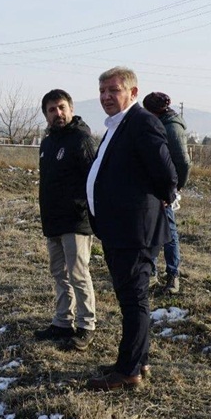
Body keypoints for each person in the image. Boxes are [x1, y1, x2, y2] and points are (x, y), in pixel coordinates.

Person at [85, 67, 178, 391]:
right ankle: (139, 359)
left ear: (133, 92)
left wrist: (157, 202)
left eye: (114, 90)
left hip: (134, 230)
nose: (106, 96)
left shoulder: (142, 122)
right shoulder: (117, 125)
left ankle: (128, 371)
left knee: (133, 300)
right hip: (119, 228)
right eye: (102, 91)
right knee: (132, 297)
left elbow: (167, 174)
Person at [33, 89, 98, 351]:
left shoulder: (81, 139)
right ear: (46, 115)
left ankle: (86, 325)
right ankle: (62, 322)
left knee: (78, 274)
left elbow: (94, 180)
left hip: (76, 220)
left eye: (61, 107)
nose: (57, 113)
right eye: (52, 110)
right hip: (53, 221)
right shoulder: (48, 142)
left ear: (71, 109)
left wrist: (86, 210)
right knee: (59, 274)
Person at [142, 92, 190, 295]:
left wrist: (175, 189)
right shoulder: (160, 124)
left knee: (168, 232)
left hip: (165, 188)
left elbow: (183, 162)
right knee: (151, 230)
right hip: (154, 186)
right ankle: (151, 273)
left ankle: (172, 275)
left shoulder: (171, 128)